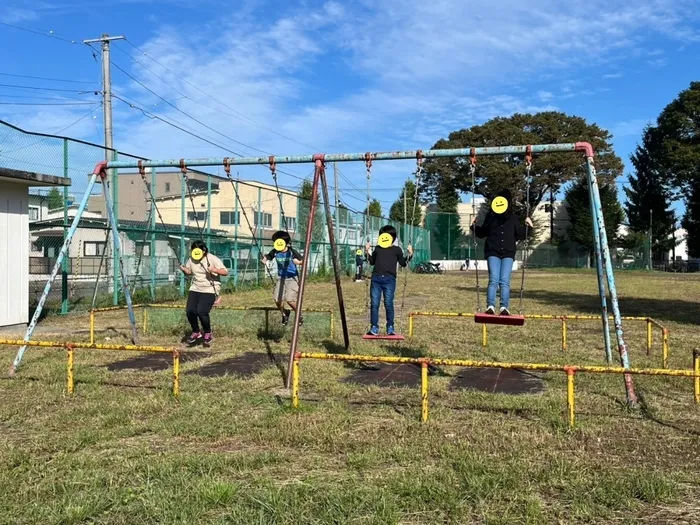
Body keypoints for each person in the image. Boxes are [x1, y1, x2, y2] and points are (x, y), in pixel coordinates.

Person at [471, 189, 533, 316]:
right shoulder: (491, 217)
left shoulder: (513, 218)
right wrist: (473, 226)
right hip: (493, 251)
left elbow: (520, 234)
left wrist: (529, 226)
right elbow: (482, 232)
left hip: (508, 253)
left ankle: (504, 307)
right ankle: (491, 306)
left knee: (504, 281)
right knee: (493, 279)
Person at [365, 225, 413, 336]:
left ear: (393, 237)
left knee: (388, 303)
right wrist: (367, 251)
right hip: (376, 279)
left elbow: (403, 263)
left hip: (389, 280)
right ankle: (374, 327)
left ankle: (390, 327)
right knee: (374, 304)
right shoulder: (378, 248)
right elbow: (371, 261)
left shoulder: (397, 250)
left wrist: (410, 253)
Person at [179, 240, 228, 346]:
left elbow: (225, 272)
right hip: (195, 287)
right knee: (190, 311)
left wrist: (213, 269)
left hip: (210, 289)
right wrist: (183, 269)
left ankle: (207, 332)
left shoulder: (212, 259)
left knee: (201, 311)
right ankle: (196, 331)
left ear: (204, 250)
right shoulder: (192, 259)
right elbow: (189, 272)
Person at [262, 230, 304, 326]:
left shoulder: (292, 251)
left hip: (292, 278)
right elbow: (268, 256)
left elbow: (303, 260)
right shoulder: (275, 251)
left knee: (290, 299)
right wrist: (264, 259)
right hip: (281, 278)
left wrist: (299, 262)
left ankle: (299, 315)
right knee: (277, 299)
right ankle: (285, 313)